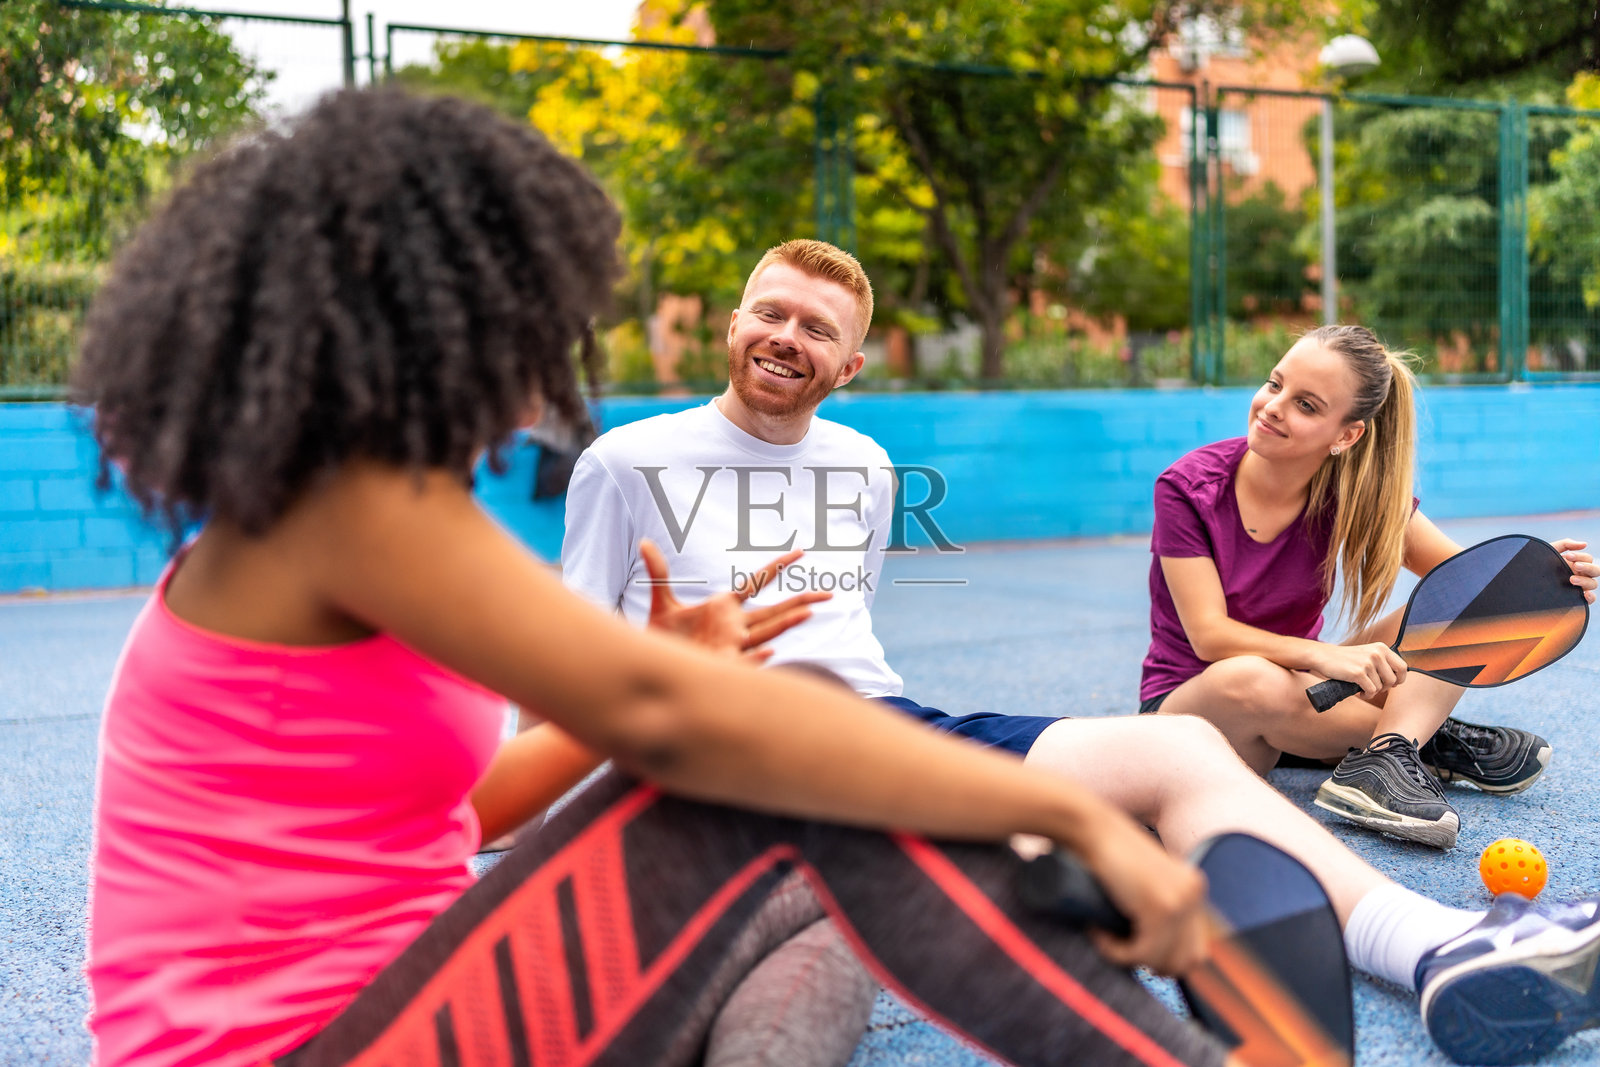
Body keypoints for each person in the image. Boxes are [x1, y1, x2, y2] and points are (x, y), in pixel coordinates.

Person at [79, 88, 1242, 1067]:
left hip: (406, 990)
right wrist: (1066, 814)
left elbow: (458, 814)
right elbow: (677, 725)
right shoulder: (350, 501)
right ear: (435, 321)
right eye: (538, 315)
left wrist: (668, 669)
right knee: (789, 787)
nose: (560, 350)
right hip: (310, 1040)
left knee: (821, 878)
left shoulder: (322, 508)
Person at [560, 237, 1600, 1065]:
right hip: (726, 751)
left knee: (1175, 763)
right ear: (737, 321)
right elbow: (556, 677)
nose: (788, 337)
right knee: (894, 932)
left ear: (852, 362)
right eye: (772, 313)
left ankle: (1439, 945)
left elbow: (849, 648)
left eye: (817, 326)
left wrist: (1526, 577)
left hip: (886, 728)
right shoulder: (626, 460)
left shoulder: (866, 467)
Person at [1138, 325, 1599, 849]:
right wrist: (1324, 658)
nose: (1272, 406)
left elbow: (1476, 586)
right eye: (1274, 384)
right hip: (1191, 711)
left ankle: (1387, 753)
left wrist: (1544, 578)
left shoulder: (1353, 493)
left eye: (1306, 405)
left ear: (1346, 435)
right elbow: (1209, 637)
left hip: (1304, 687)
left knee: (1458, 602)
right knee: (1250, 679)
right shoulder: (1187, 488)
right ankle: (1422, 740)